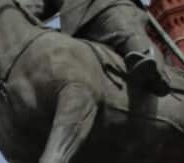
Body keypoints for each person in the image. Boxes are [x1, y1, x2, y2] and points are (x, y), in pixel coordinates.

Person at [35, 0, 172, 95]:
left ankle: (154, 71)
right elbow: (38, 5)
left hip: (105, 6)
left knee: (123, 33)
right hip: (74, 29)